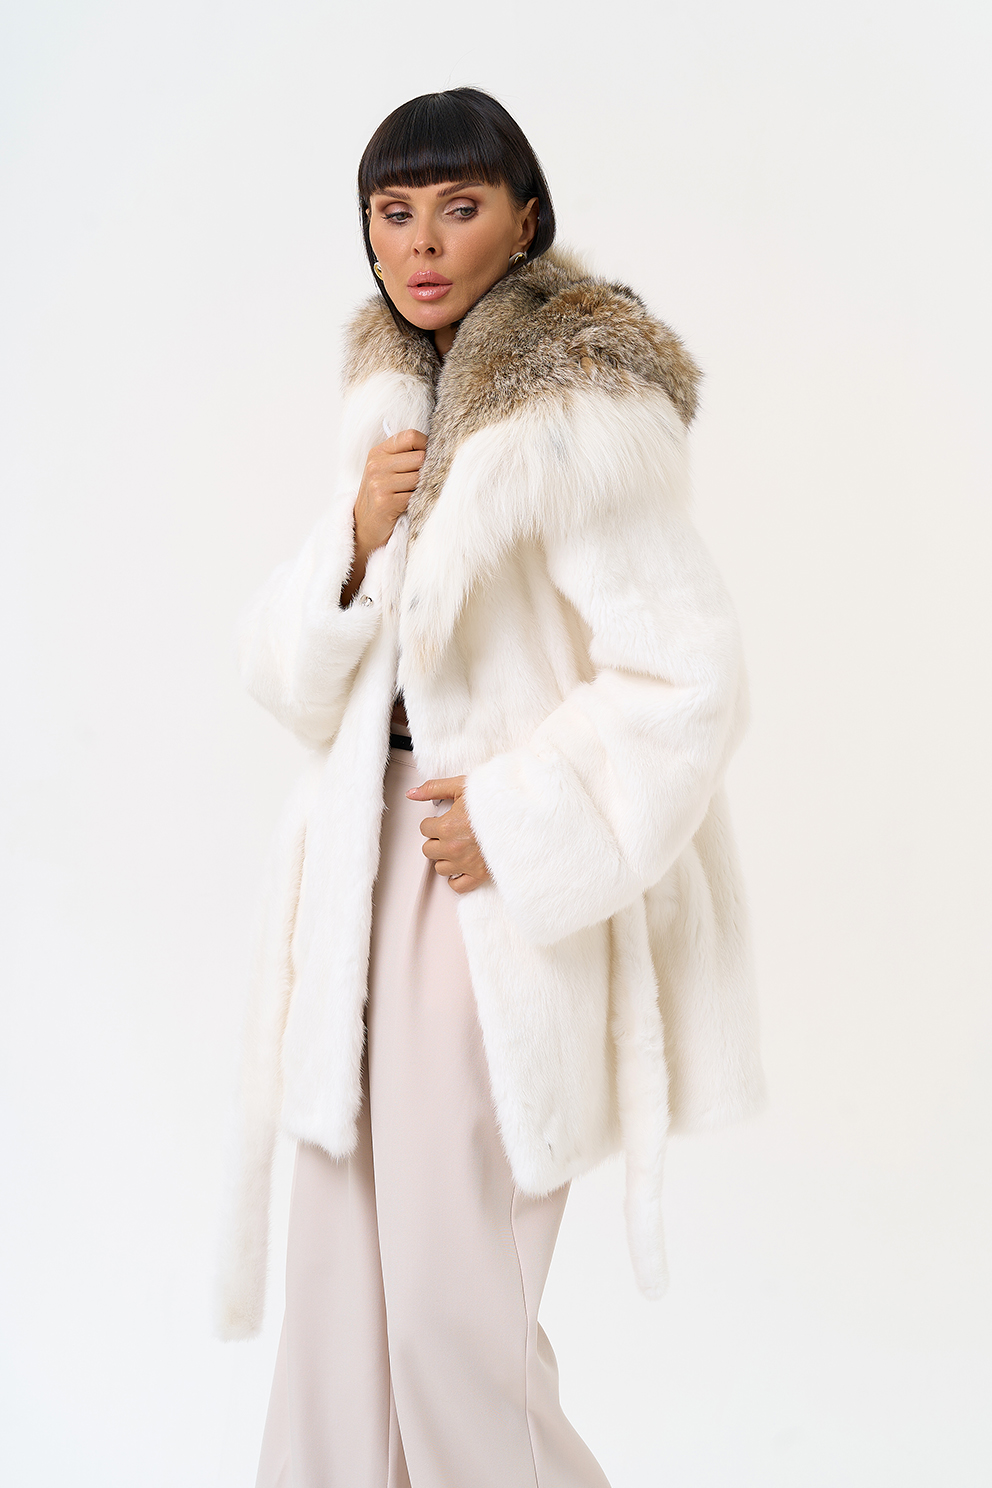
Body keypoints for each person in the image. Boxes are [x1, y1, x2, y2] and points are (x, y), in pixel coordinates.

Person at [217, 87, 765, 1488]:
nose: (420, 243)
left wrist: (520, 819)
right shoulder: (394, 400)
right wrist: (354, 538)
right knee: (340, 1302)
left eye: (458, 208)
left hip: (487, 883)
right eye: (393, 212)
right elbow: (292, 684)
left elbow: (689, 678)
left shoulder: (573, 412)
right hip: (362, 871)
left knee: (455, 1313)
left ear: (523, 220)